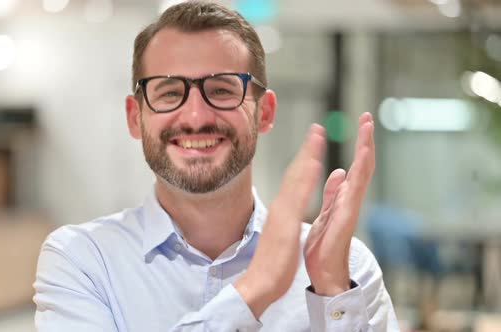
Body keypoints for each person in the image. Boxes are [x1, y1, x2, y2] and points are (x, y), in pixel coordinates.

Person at [33, 1, 399, 331]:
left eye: (223, 90)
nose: (195, 116)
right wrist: (255, 287)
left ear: (265, 112)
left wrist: (332, 292)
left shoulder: (347, 266)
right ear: (135, 117)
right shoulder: (82, 261)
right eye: (170, 92)